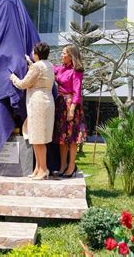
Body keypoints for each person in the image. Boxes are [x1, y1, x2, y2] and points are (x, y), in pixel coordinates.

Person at [10, 42, 55, 180]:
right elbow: (38, 73)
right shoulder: (49, 65)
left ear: (36, 54)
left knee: (38, 139)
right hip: (47, 100)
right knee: (38, 137)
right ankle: (38, 169)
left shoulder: (37, 66)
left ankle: (43, 169)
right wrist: (30, 63)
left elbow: (24, 83)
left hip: (37, 103)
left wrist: (13, 78)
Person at [53, 44, 86, 178]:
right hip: (60, 104)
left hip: (71, 104)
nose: (61, 55)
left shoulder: (76, 71)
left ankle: (71, 166)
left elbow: (77, 92)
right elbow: (49, 67)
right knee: (62, 138)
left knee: (72, 138)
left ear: (70, 56)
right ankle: (62, 165)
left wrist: (72, 110)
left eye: (63, 53)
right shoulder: (61, 68)